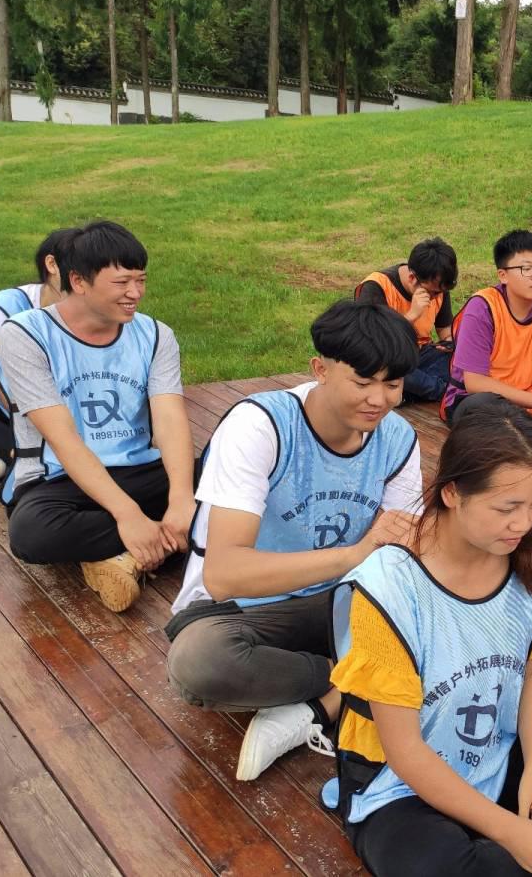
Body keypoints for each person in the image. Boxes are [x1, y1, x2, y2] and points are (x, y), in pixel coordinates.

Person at [326, 398, 532, 876]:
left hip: (496, 756)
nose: (524, 523)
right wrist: (513, 833)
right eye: (507, 507)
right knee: (442, 866)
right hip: (401, 789)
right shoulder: (389, 588)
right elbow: (405, 754)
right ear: (452, 493)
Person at [165, 300, 422, 781]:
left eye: (393, 384)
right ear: (320, 370)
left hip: (343, 600)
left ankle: (319, 706)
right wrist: (354, 554)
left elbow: (400, 554)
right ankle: (352, 683)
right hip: (245, 607)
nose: (379, 399)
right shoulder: (261, 426)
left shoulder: (398, 439)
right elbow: (224, 574)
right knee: (201, 662)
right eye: (363, 382)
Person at [0, 221, 195, 612]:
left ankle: (125, 555)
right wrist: (128, 515)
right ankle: (163, 540)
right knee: (32, 534)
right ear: (78, 281)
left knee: (230, 481)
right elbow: (63, 439)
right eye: (122, 283)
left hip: (140, 470)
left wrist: (182, 498)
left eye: (141, 280)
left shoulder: (156, 334)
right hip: (60, 478)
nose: (135, 293)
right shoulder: (24, 334)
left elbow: (170, 420)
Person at [442, 230, 532, 450]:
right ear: (503, 275)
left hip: (528, 396)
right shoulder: (483, 307)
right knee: (485, 404)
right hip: (476, 401)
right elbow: (475, 383)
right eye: (526, 268)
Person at [0, 227, 75, 476]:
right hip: (2, 402)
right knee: (38, 459)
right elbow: (7, 387)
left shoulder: (92, 311)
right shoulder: (2, 309)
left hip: (53, 400)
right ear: (52, 265)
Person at [355, 237, 458, 403]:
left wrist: (453, 345)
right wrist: (411, 315)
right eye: (431, 292)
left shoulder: (438, 288)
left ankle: (405, 393)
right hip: (386, 357)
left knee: (462, 363)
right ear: (411, 278)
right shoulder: (376, 286)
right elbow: (372, 342)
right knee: (388, 370)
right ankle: (441, 391)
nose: (435, 297)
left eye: (439, 292)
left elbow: (445, 332)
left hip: (420, 354)